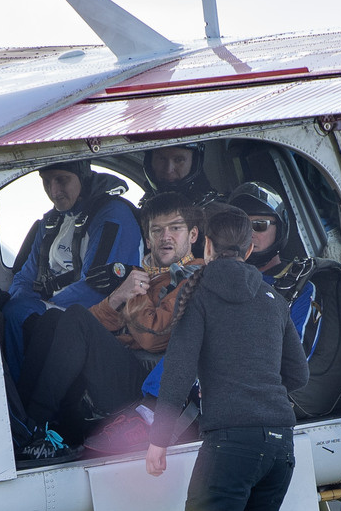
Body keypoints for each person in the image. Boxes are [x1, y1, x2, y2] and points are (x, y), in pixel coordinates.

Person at [145, 203, 308, 511]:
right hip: (280, 449)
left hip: (231, 447)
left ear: (208, 247)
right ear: (251, 247)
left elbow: (177, 374)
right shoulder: (273, 298)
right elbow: (298, 375)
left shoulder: (198, 297)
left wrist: (158, 440)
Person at [17, 191, 202, 459]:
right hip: (125, 368)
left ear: (193, 235)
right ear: (148, 239)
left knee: (76, 317)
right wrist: (117, 297)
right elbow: (89, 325)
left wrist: (135, 295)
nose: (166, 237)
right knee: (53, 321)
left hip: (150, 389)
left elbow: (154, 337)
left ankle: (34, 426)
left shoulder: (195, 280)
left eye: (175, 228)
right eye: (157, 230)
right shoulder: (143, 276)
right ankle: (24, 423)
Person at [1, 163, 142, 388]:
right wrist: (20, 302)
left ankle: (24, 397)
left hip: (95, 312)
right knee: (6, 310)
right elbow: (26, 277)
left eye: (62, 180)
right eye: (46, 181)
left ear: (82, 177)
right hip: (51, 304)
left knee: (26, 317)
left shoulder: (112, 215)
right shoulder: (52, 221)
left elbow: (96, 287)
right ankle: (13, 394)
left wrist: (44, 307)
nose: (54, 191)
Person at [229, 181, 341, 421]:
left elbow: (291, 362)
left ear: (280, 228)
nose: (248, 235)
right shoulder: (218, 280)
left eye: (259, 225)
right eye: (240, 226)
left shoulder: (300, 289)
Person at [142, 143, 219, 206]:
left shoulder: (219, 213)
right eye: (161, 159)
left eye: (179, 160)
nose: (168, 170)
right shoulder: (140, 213)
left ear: (194, 163)